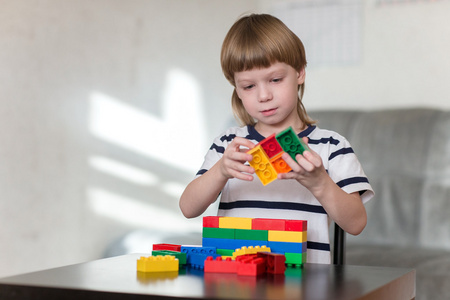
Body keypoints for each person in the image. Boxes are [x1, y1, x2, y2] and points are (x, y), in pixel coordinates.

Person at [179, 13, 374, 264]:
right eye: (249, 86)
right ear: (237, 89)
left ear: (300, 72)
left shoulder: (331, 147)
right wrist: (220, 171)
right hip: (235, 280)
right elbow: (188, 208)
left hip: (305, 283)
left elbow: (356, 224)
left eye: (275, 80)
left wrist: (319, 182)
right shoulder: (229, 146)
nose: (263, 95)